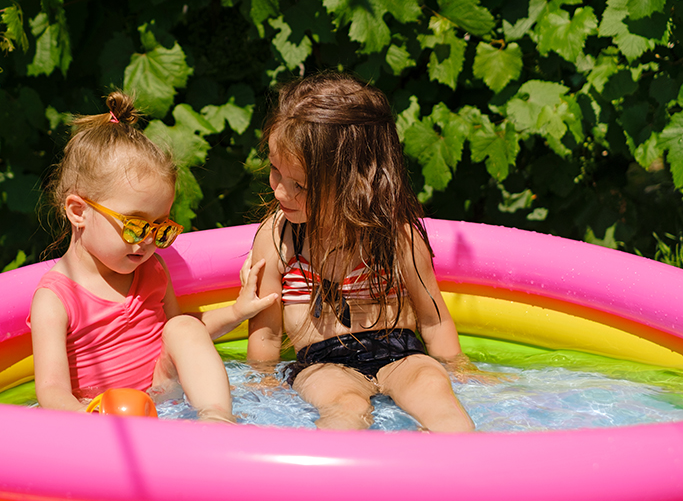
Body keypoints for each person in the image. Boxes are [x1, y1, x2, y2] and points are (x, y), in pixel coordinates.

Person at [245, 72, 476, 432]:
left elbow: (434, 319)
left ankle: (453, 472)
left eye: (299, 186)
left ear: (353, 182)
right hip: (323, 364)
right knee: (344, 404)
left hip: (401, 354)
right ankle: (338, 484)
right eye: (274, 171)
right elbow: (267, 335)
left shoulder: (395, 236)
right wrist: (261, 389)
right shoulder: (278, 238)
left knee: (433, 387)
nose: (279, 192)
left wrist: (459, 369)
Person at [29, 91, 277, 423]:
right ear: (79, 211)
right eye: (134, 225)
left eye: (160, 228)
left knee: (182, 325)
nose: (148, 241)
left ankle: (217, 419)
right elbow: (51, 390)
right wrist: (94, 419)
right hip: (104, 412)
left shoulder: (151, 268)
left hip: (164, 392)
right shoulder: (56, 298)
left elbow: (180, 331)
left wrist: (236, 312)